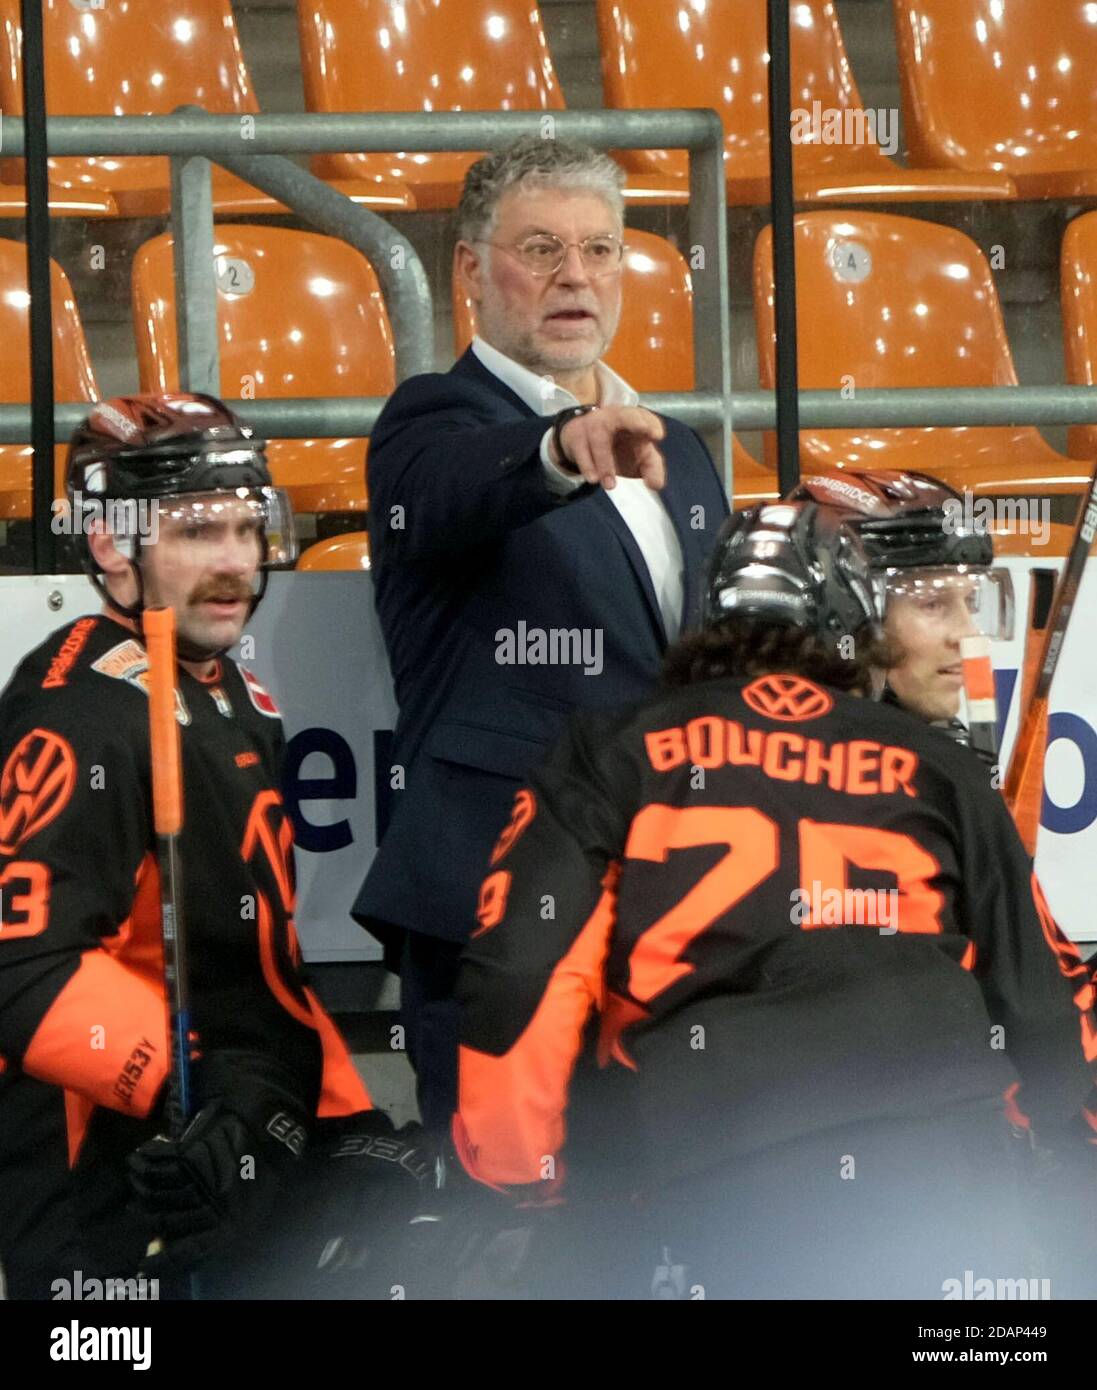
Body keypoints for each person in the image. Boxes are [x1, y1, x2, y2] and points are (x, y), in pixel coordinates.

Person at [452, 500, 1097, 1299]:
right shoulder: (936, 765)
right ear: (855, 623)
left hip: (724, 1162)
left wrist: (525, 1173)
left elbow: (522, 970)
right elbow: (1036, 1007)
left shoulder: (608, 749)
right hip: (947, 1164)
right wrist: (1038, 1139)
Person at [0, 393, 424, 1301]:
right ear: (113, 546)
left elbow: (262, 958)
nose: (236, 563)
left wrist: (332, 1111)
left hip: (228, 1170)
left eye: (248, 527)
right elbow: (23, 966)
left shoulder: (234, 692)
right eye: (198, 534)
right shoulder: (78, 713)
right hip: (111, 1191)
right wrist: (194, 1096)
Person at [352, 134, 729, 1134]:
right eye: (541, 247)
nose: (576, 276)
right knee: (506, 1246)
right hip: (499, 909)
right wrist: (561, 445)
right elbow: (451, 491)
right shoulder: (427, 424)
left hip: (666, 901)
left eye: (600, 249)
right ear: (471, 270)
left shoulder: (677, 449)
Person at [788, 469, 1014, 761]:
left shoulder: (945, 759)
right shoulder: (792, 773)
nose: (967, 634)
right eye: (932, 604)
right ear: (844, 618)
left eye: (970, 601)